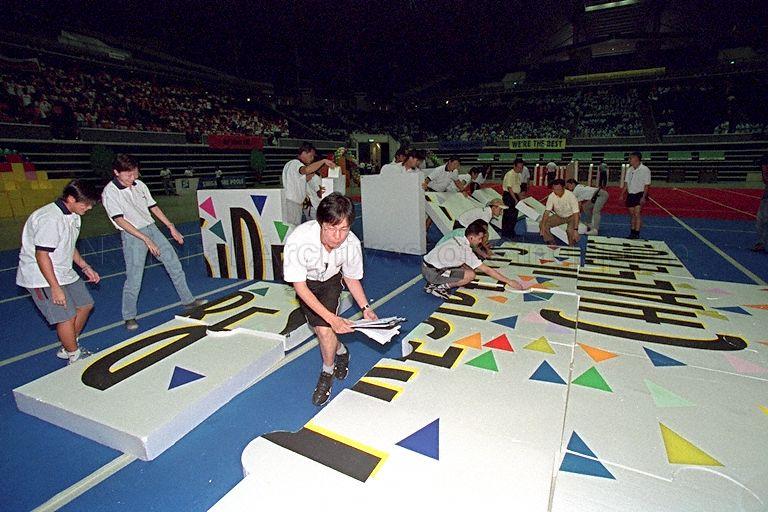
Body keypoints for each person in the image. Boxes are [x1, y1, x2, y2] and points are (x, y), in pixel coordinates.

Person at [283, 193, 377, 406]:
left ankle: (327, 373)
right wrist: (331, 319)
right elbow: (300, 287)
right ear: (320, 223)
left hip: (331, 282)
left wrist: (365, 308)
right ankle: (342, 351)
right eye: (331, 228)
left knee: (325, 330)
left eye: (343, 229)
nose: (337, 236)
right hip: (306, 284)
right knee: (321, 328)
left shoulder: (351, 243)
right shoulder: (299, 240)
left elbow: (351, 278)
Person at [102, 154, 206, 331]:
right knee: (134, 277)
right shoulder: (110, 192)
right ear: (116, 172)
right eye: (128, 175)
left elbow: (153, 207)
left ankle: (188, 300)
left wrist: (171, 227)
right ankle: (129, 316)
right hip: (132, 234)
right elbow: (120, 220)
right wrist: (145, 239)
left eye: (135, 173)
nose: (133, 178)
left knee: (174, 264)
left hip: (151, 228)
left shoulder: (140, 185)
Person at [16, 179, 101, 364]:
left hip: (63, 270)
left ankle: (67, 344)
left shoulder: (74, 216)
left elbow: (69, 246)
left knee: (85, 304)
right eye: (85, 204)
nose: (89, 208)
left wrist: (85, 266)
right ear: (70, 199)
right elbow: (41, 256)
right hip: (40, 275)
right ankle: (74, 354)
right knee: (66, 316)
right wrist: (55, 288)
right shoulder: (50, 218)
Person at [422, 220, 523, 299]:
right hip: (432, 272)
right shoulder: (465, 250)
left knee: (467, 269)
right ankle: (440, 287)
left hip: (426, 266)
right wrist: (509, 281)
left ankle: (432, 283)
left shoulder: (457, 238)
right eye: (479, 239)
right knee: (470, 275)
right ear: (471, 238)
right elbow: (487, 270)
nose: (480, 241)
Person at [282, 142, 336, 226]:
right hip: (293, 202)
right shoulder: (296, 163)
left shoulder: (291, 165)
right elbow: (306, 170)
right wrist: (323, 161)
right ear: (304, 153)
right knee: (292, 228)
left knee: (293, 227)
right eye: (311, 156)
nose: (312, 158)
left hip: (294, 202)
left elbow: (299, 181)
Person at [620, 151, 651, 239]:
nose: (630, 160)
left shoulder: (645, 170)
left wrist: (644, 197)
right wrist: (622, 194)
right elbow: (626, 183)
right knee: (632, 214)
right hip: (631, 194)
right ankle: (632, 232)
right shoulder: (630, 170)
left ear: (636, 159)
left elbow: (646, 185)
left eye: (631, 158)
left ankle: (637, 233)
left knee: (637, 213)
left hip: (639, 193)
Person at [540, 179, 580, 246]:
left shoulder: (571, 196)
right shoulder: (552, 196)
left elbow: (576, 214)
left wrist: (576, 230)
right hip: (559, 216)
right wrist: (543, 227)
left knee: (570, 231)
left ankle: (571, 246)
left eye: (558, 189)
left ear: (563, 188)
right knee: (542, 224)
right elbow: (547, 212)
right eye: (554, 189)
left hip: (571, 216)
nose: (556, 191)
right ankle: (551, 242)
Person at [501, 158, 524, 238]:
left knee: (514, 215)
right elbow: (509, 188)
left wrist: (520, 198)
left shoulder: (518, 175)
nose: (520, 169)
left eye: (521, 167)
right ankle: (506, 233)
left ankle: (511, 232)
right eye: (518, 167)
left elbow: (518, 188)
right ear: (514, 166)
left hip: (515, 195)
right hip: (509, 195)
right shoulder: (510, 174)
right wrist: (515, 199)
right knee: (508, 215)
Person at [751, 155, 768, 252]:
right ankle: (762, 242)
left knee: (762, 219)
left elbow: (765, 177)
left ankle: (762, 242)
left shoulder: (765, 160)